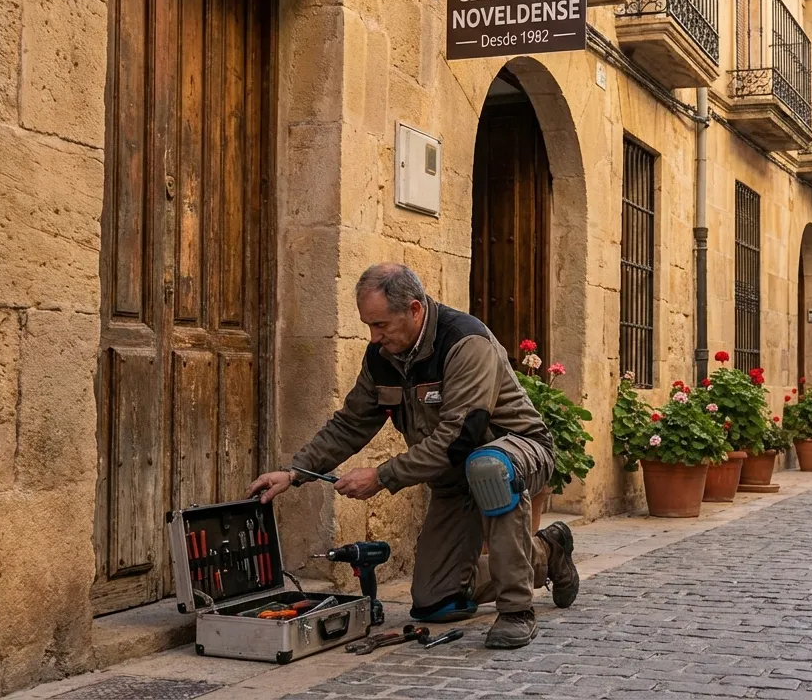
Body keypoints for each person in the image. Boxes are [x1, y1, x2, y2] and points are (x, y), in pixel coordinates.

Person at [248, 262, 578, 649]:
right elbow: (350, 424)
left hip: (517, 451)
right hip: (455, 476)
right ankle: (547, 551)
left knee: (488, 467)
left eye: (381, 325)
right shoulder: (382, 358)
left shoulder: (466, 342)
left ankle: (517, 610)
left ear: (415, 310)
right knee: (435, 602)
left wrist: (382, 476)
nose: (373, 337)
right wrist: (294, 473)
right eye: (368, 325)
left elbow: (459, 437)